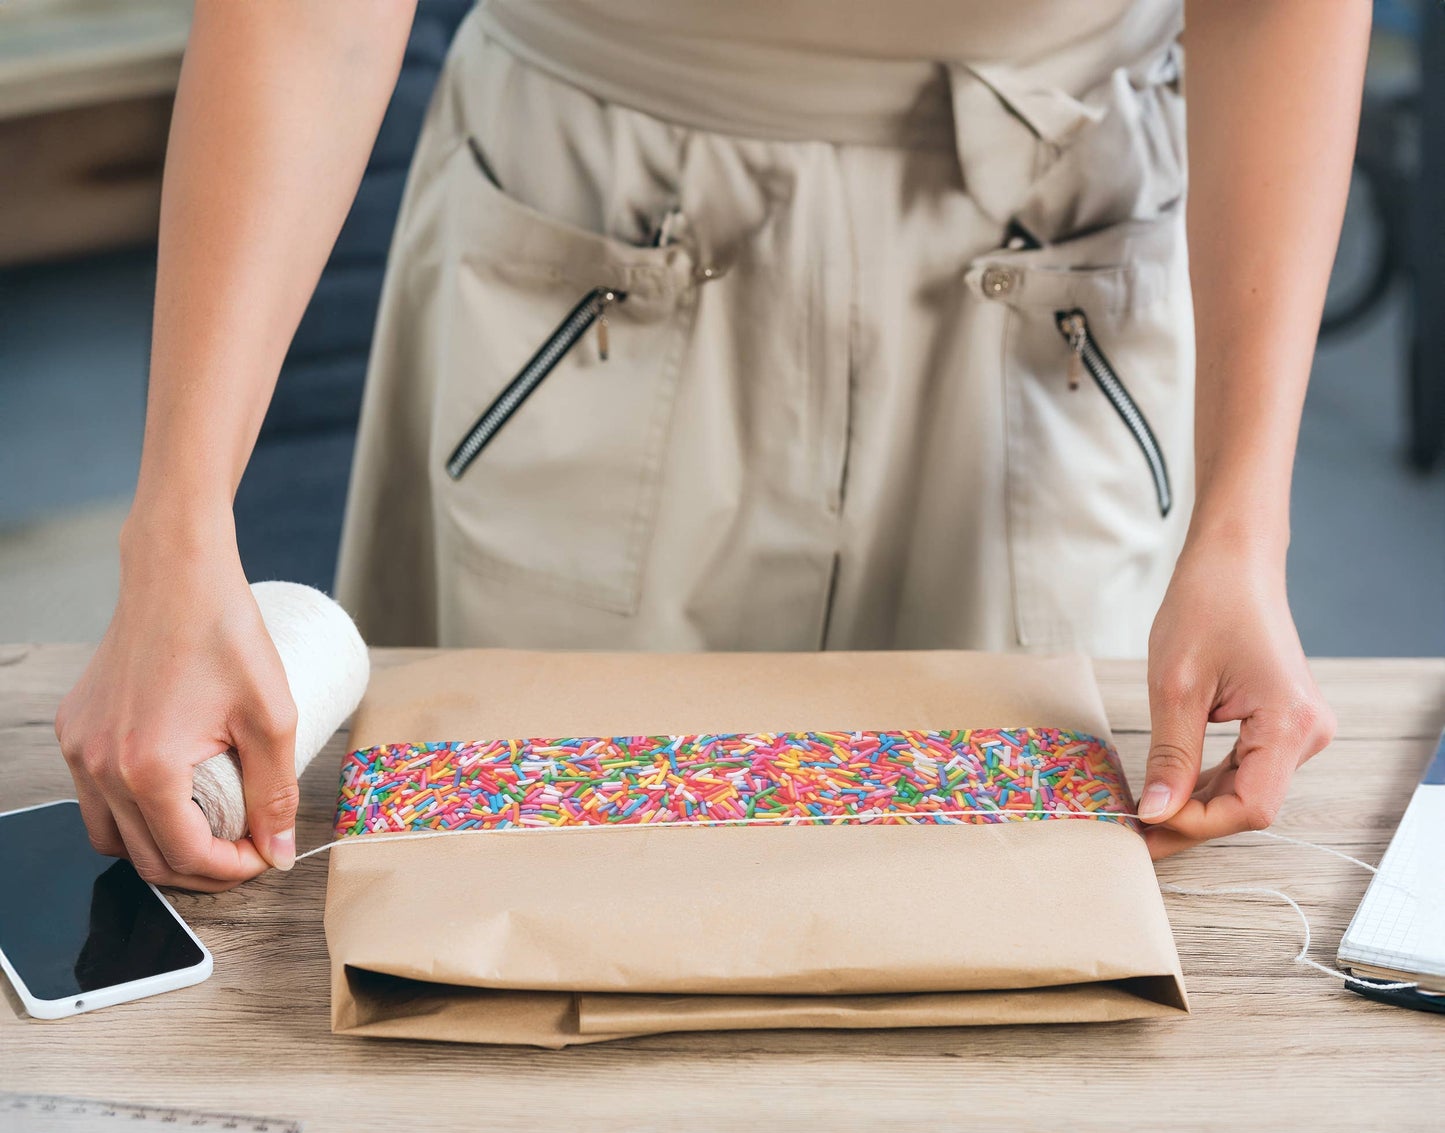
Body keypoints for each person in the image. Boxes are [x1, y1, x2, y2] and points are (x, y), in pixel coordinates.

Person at [55, 0, 1363, 891]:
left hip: (1055, 273)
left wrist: (1243, 522)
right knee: (501, 923)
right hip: (592, 245)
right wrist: (175, 531)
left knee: (1042, 930)